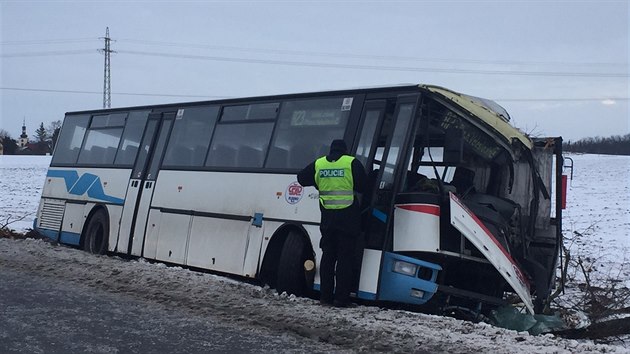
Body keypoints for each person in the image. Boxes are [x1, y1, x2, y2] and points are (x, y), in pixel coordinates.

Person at [297, 139, 367, 307]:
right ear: (345, 150)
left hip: (328, 220)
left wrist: (318, 181)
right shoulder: (351, 162)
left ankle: (325, 297)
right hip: (348, 220)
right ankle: (341, 299)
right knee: (345, 259)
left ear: (331, 150)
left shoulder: (320, 163)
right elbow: (363, 186)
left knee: (328, 258)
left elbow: (301, 178)